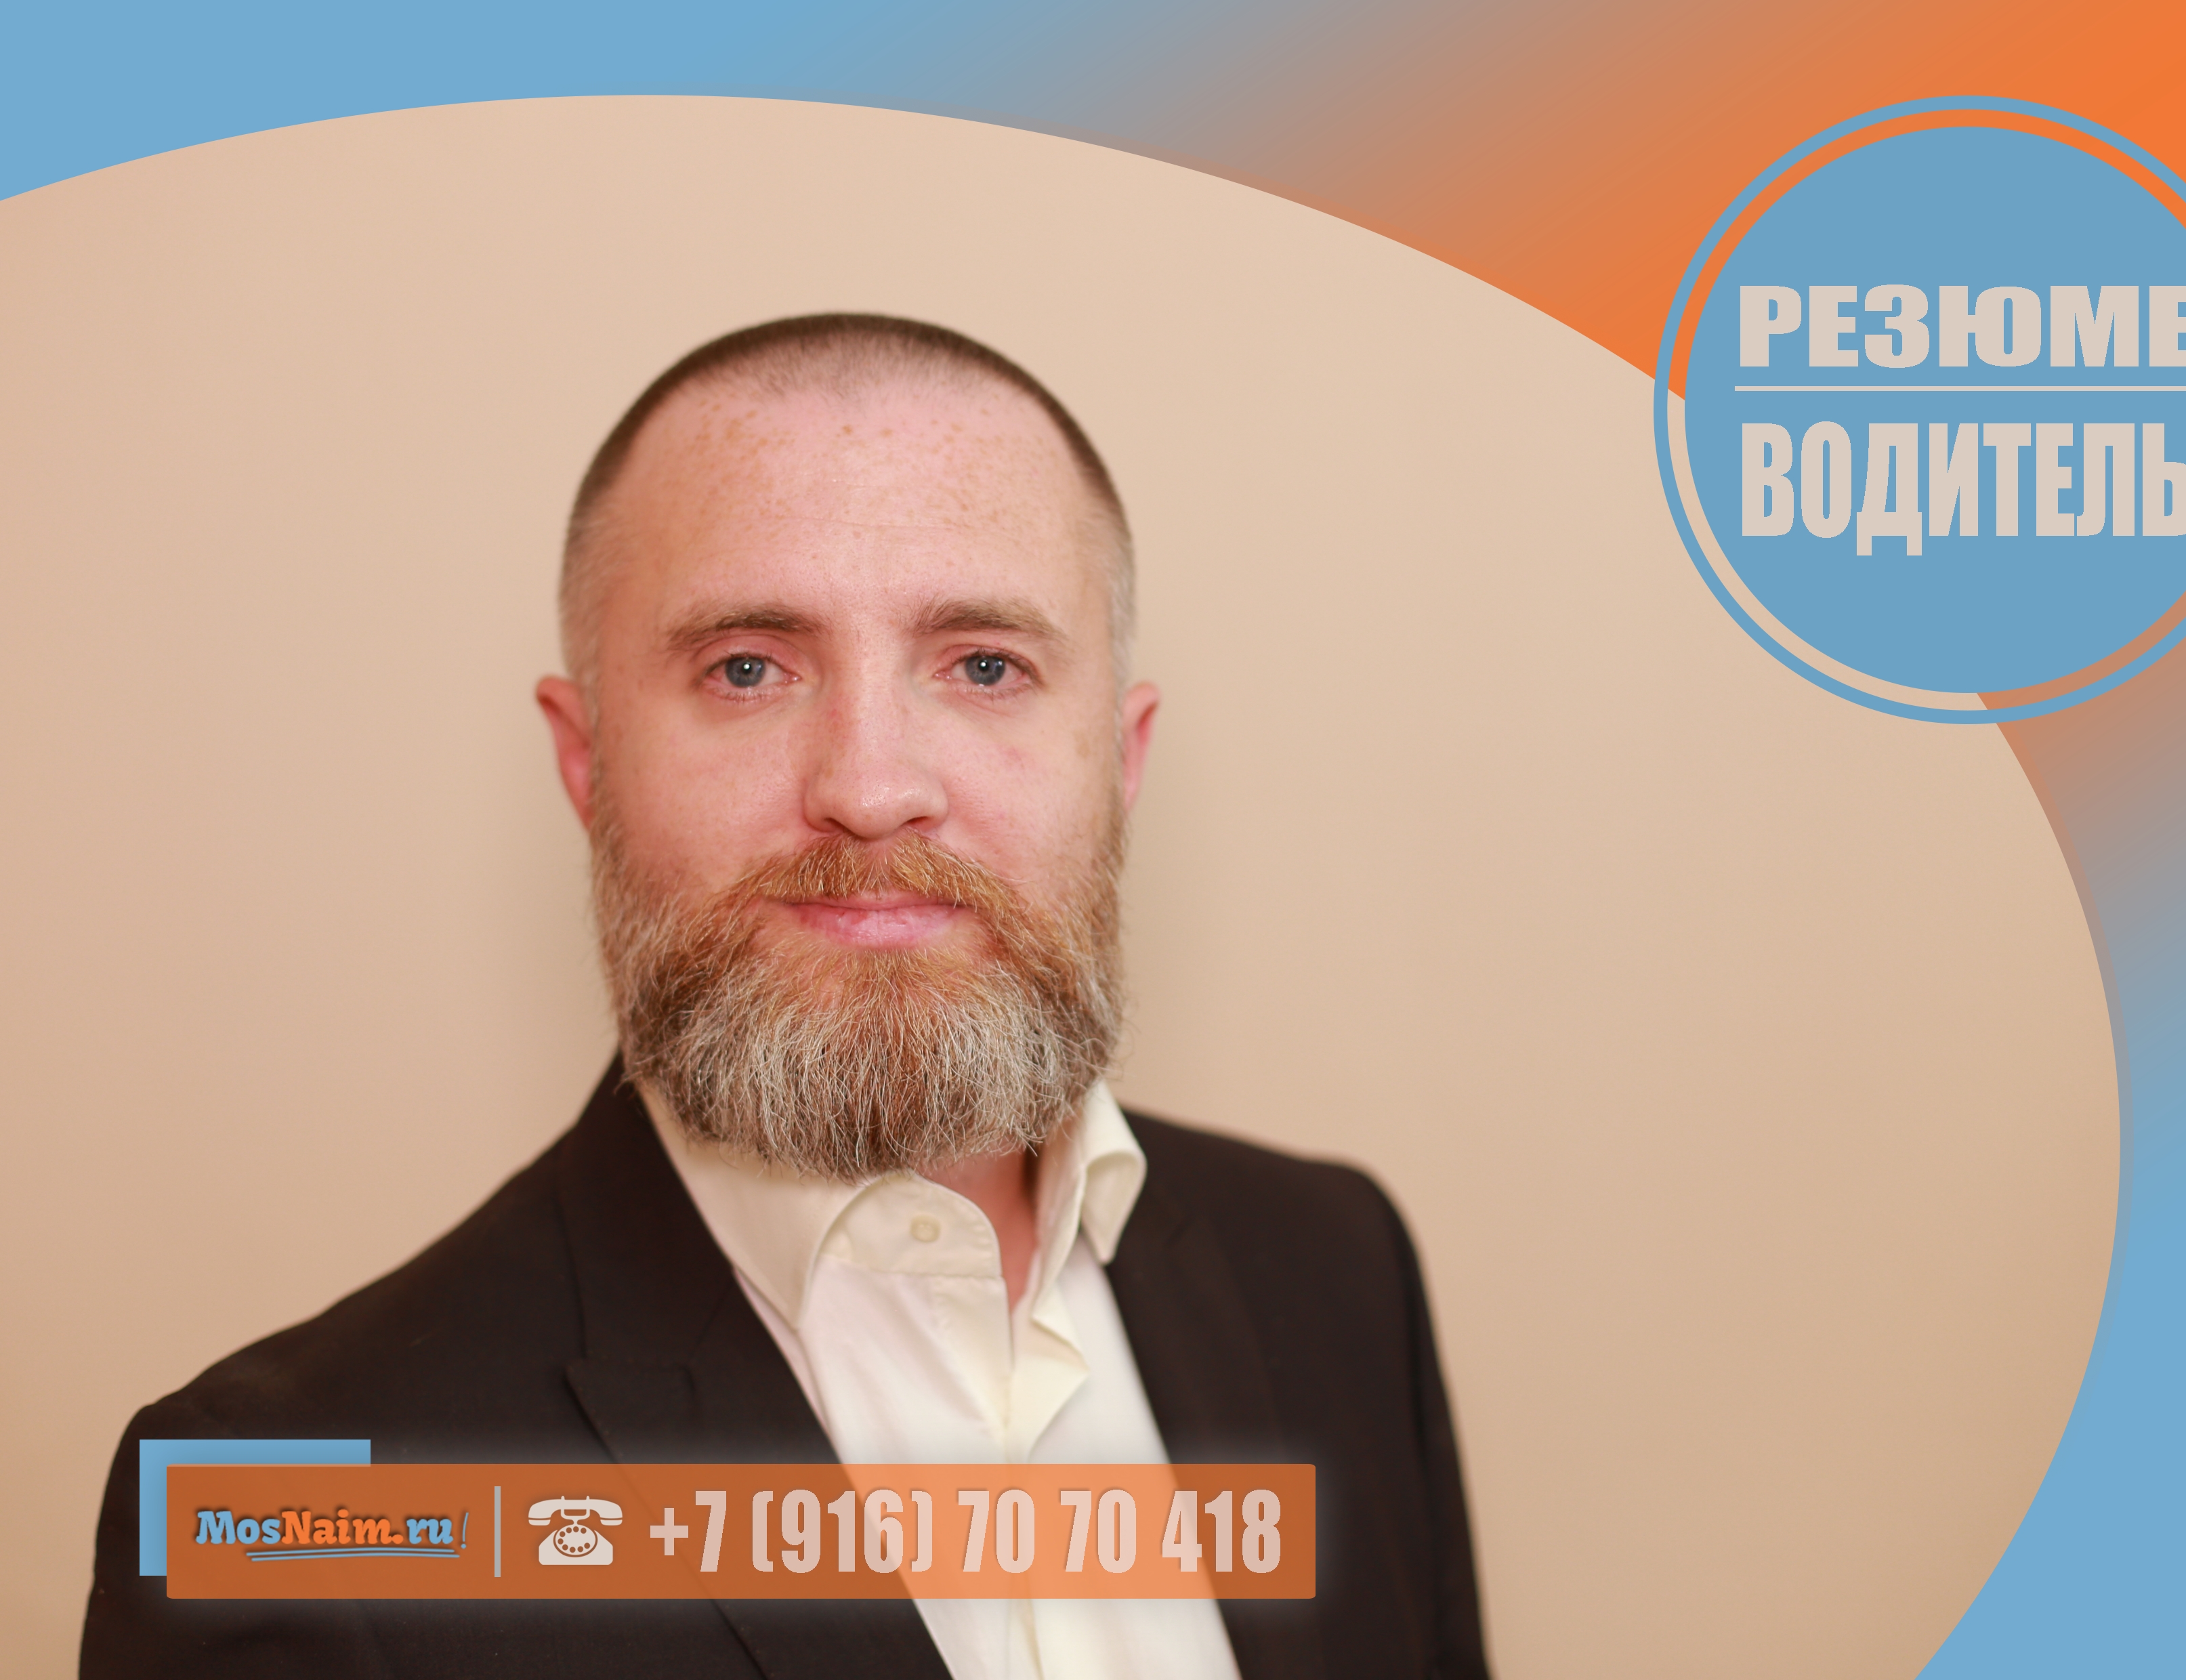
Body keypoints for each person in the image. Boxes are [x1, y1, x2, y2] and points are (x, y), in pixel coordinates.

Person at [80, 315, 1488, 1679]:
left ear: (1119, 760)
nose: (869, 787)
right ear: (587, 760)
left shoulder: (1337, 1273)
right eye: (747, 669)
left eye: (984, 665)